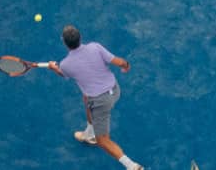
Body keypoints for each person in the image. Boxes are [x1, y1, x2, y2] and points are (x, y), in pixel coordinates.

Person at [48, 25, 144, 170]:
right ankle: (89, 132)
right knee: (86, 97)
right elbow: (119, 62)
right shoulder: (95, 47)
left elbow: (64, 73)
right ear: (80, 38)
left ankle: (132, 166)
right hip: (115, 90)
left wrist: (55, 68)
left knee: (103, 141)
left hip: (100, 102)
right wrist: (126, 65)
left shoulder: (66, 64)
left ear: (64, 42)